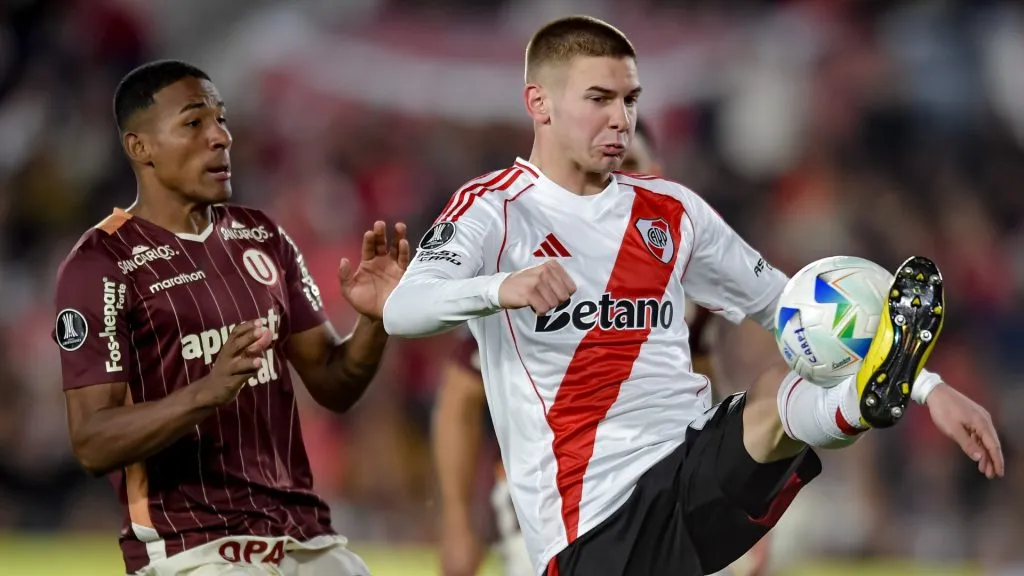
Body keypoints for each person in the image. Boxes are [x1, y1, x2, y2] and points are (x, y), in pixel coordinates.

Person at [382, 16, 1004, 576]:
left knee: (770, 400)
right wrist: (501, 287)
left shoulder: (673, 212)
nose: (619, 120)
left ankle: (869, 400)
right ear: (538, 103)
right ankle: (858, 401)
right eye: (598, 99)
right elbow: (403, 309)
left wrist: (929, 387)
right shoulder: (495, 208)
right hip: (590, 521)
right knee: (772, 407)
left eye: (629, 100)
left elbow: (793, 308)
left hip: (688, 466)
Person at [52, 60, 409, 576]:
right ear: (140, 147)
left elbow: (334, 384)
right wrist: (207, 391)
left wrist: (377, 321)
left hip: (303, 538)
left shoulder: (262, 236)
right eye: (194, 123)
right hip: (192, 549)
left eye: (221, 119)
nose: (220, 137)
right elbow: (91, 442)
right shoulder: (101, 265)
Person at [431, 121, 766, 576]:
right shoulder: (532, 268)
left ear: (656, 174)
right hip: (554, 496)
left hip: (660, 489)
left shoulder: (685, 280)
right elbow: (460, 399)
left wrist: (734, 489)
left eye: (629, 164)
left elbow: (704, 392)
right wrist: (456, 522)